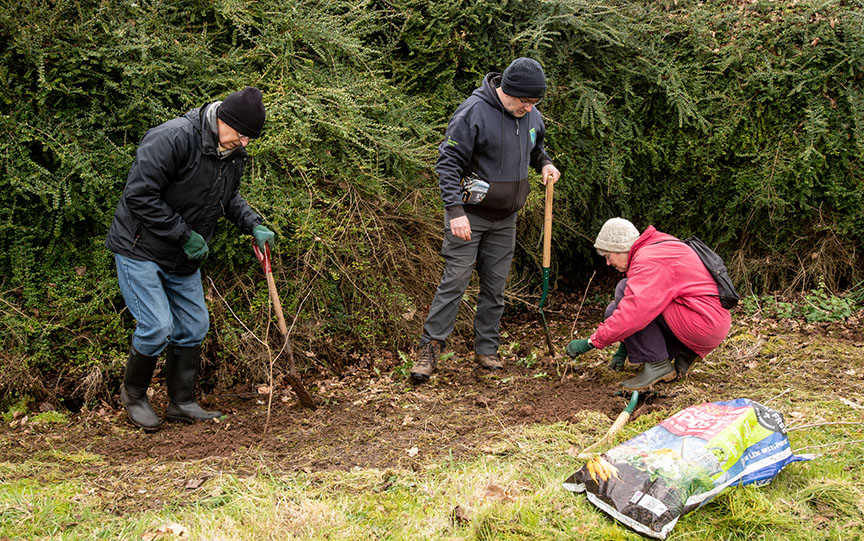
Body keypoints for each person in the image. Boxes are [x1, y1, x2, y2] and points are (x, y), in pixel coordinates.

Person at [106, 86, 275, 431]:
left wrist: (253, 224)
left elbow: (228, 199)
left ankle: (181, 403)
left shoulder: (233, 153)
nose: (244, 143)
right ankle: (133, 396)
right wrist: (184, 234)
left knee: (194, 326)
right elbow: (139, 196)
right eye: (241, 134)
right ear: (223, 121)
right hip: (140, 248)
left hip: (183, 258)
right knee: (156, 328)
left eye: (249, 139)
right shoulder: (172, 138)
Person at [410, 58, 561, 382]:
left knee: (495, 290)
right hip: (470, 217)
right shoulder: (473, 113)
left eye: (535, 102)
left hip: (506, 219)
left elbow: (536, 146)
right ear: (509, 90)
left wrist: (545, 164)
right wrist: (455, 212)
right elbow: (447, 164)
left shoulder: (530, 114)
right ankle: (430, 351)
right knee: (455, 283)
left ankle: (486, 350)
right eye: (526, 101)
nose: (530, 107)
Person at [565, 218, 732, 391]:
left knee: (623, 292)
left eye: (608, 256)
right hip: (709, 320)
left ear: (620, 248)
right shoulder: (658, 246)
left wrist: (590, 342)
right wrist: (624, 348)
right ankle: (685, 354)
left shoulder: (648, 260)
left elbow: (634, 314)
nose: (607, 263)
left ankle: (657, 366)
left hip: (701, 322)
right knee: (618, 305)